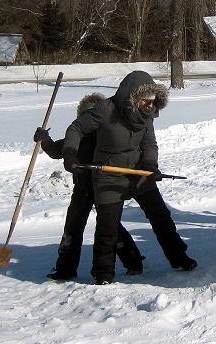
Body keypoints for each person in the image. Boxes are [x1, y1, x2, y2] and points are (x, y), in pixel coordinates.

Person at [60, 71, 196, 285]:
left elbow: (149, 144)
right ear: (132, 97)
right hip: (109, 175)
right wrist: (69, 152)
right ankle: (103, 274)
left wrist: (150, 164)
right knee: (108, 227)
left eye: (153, 102)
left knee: (161, 217)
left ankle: (179, 258)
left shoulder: (147, 113)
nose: (150, 106)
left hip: (139, 173)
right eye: (146, 101)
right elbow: (76, 128)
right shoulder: (106, 110)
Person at [34, 93, 145, 281]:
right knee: (72, 227)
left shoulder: (107, 136)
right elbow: (56, 151)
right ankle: (66, 269)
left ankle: (133, 261)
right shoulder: (78, 137)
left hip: (104, 187)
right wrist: (44, 140)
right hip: (83, 188)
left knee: (110, 228)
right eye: (86, 115)